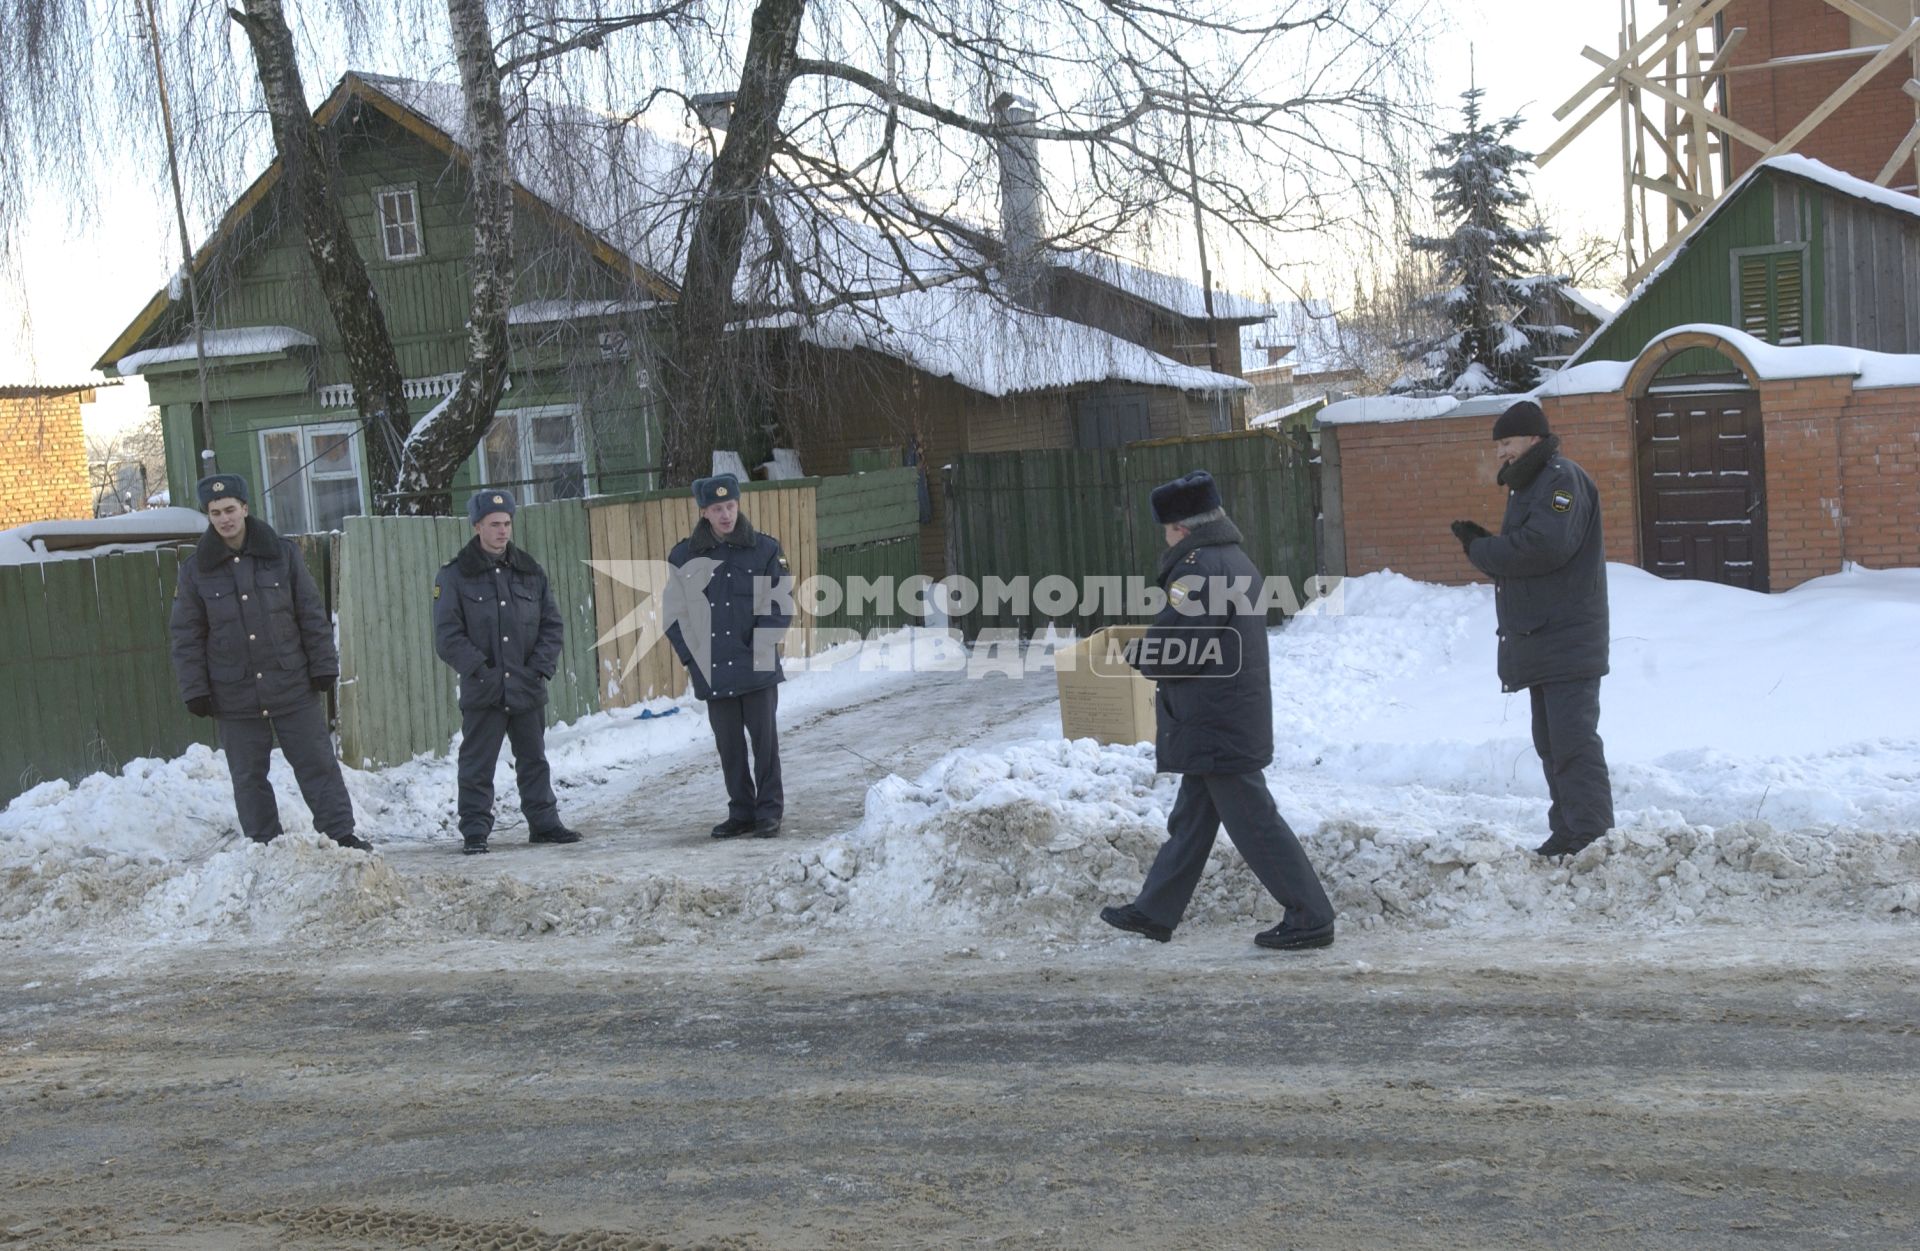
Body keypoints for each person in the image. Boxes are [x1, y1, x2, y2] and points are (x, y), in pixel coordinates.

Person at [1101, 469, 1337, 951]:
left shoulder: (1197, 569)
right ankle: (1155, 911)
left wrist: (1134, 652)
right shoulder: (1233, 558)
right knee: (1191, 820)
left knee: (1255, 823)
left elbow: (1179, 645)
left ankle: (1311, 917)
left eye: (1166, 530)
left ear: (1181, 528)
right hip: (1225, 711)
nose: (1164, 539)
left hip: (1213, 718)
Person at [168, 473, 370, 851]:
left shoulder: (281, 554)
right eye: (215, 513)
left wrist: (323, 664)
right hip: (234, 694)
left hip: (292, 684)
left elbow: (310, 613)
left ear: (245, 508)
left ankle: (342, 837)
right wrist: (195, 689)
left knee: (317, 765)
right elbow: (186, 637)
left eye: (230, 509)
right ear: (208, 517)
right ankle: (264, 846)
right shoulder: (196, 570)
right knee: (248, 777)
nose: (225, 519)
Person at [1451, 399, 1615, 857]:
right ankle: (1568, 830)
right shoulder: (1532, 484)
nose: (1500, 452)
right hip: (1545, 639)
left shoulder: (1561, 480)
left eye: (1506, 442)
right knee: (1551, 743)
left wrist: (1482, 550)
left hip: (1568, 637)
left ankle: (1592, 837)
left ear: (1533, 439)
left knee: (1573, 743)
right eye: (1498, 444)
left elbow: (1542, 549)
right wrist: (1488, 545)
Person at [432, 489, 581, 854]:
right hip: (485, 689)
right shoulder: (455, 576)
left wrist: (538, 670)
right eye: (495, 524)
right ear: (477, 526)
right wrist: (481, 671)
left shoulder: (530, 571)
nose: (502, 531)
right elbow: (447, 635)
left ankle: (544, 824)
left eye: (507, 523)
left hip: (527, 685)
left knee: (534, 759)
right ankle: (475, 831)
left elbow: (551, 625)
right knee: (476, 765)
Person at [664, 473, 792, 839]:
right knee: (730, 747)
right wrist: (693, 658)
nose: (726, 515)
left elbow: (779, 606)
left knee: (764, 744)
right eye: (718, 509)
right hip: (714, 669)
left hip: (757, 666)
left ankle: (769, 811)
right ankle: (742, 811)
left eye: (731, 506)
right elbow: (675, 615)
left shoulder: (765, 550)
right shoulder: (684, 556)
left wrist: (761, 652)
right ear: (704, 511)